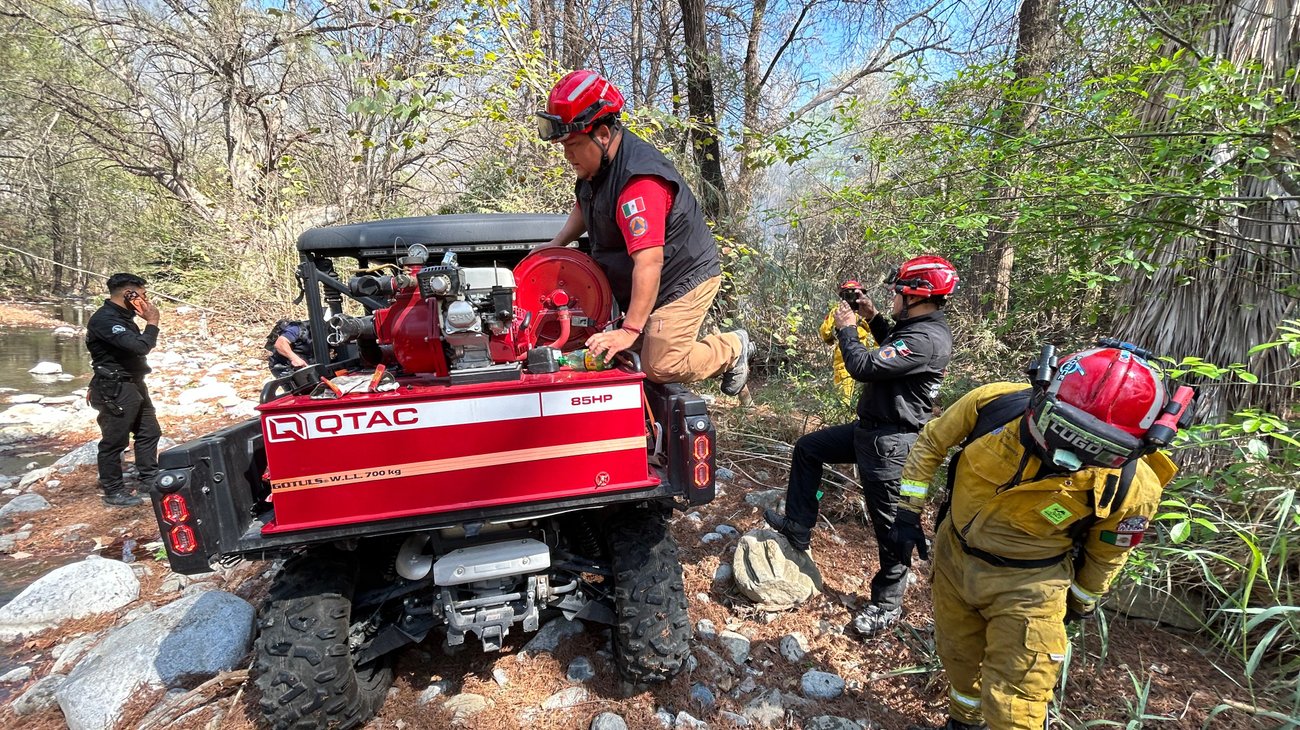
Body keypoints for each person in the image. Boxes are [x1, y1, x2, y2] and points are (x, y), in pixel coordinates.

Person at [888, 345, 1185, 730]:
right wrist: (908, 512)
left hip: (1031, 586)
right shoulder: (995, 405)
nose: (1070, 456)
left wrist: (1081, 601)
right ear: (1042, 393)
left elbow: (1107, 553)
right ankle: (963, 720)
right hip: (953, 561)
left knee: (1018, 702)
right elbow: (932, 442)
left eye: (1097, 449)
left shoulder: (1134, 485)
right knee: (958, 656)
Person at [763, 255, 957, 636]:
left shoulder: (926, 338)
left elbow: (866, 367)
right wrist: (872, 317)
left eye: (898, 292)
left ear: (917, 297)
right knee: (809, 448)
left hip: (891, 442)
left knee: (889, 527)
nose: (893, 297)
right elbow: (893, 354)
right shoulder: (916, 329)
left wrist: (848, 329)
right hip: (870, 431)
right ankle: (799, 526)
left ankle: (887, 605)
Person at [532, 70, 753, 393]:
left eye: (574, 145)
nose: (568, 155)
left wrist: (630, 329)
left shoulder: (640, 184)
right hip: (645, 276)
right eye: (564, 145)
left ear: (603, 134)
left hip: (682, 277)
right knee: (619, 356)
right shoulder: (597, 165)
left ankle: (733, 348)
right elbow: (585, 204)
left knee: (661, 364)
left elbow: (649, 263)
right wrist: (555, 245)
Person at [85, 273, 162, 508]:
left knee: (149, 432)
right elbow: (140, 347)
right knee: (115, 441)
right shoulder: (105, 320)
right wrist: (152, 321)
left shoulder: (124, 317)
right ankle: (113, 490)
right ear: (129, 294)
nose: (145, 300)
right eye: (142, 294)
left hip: (133, 382)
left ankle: (149, 479)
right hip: (115, 387)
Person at [818, 280, 876, 405]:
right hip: (862, 354)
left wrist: (830, 340)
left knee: (844, 386)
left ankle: (845, 411)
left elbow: (825, 331)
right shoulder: (865, 312)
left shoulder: (837, 312)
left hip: (845, 352)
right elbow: (877, 332)